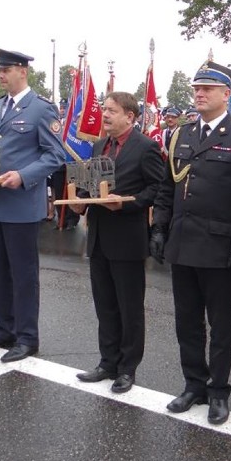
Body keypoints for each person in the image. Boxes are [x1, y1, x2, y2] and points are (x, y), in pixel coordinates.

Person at [151, 60, 231, 425]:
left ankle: (218, 391)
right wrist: (159, 227)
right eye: (197, 89)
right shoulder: (181, 134)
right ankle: (193, 385)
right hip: (183, 245)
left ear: (226, 95)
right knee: (187, 321)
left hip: (221, 249)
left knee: (221, 324)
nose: (199, 94)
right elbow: (168, 187)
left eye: (208, 89)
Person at [0, 47, 66, 363]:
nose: (1, 75)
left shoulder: (40, 109)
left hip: (21, 204)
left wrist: (23, 176)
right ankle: (4, 329)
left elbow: (54, 156)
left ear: (22, 71)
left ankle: (27, 337)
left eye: (6, 70)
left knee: (23, 274)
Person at [72, 92, 164, 393]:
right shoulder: (100, 145)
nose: (105, 114)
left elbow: (157, 188)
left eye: (111, 110)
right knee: (105, 305)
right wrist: (80, 202)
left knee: (129, 308)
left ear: (130, 116)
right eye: (104, 109)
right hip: (99, 236)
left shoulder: (146, 147)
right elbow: (92, 185)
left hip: (127, 238)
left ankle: (127, 368)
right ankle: (107, 362)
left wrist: (127, 203)